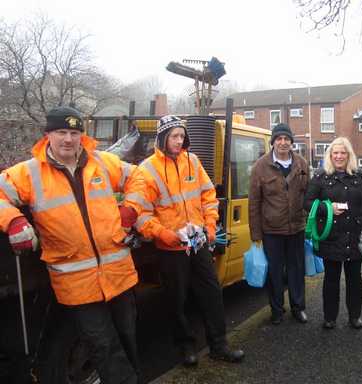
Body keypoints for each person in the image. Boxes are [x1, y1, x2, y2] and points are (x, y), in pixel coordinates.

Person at [0, 106, 144, 383]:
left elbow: (140, 177)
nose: (68, 139)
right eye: (61, 132)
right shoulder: (29, 173)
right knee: (103, 345)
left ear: (81, 136)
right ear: (48, 135)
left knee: (127, 338)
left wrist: (131, 208)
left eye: (74, 132)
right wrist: (14, 221)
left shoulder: (102, 162)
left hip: (119, 275)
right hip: (77, 284)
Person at [134, 114, 244, 366]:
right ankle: (185, 347)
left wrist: (210, 226)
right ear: (162, 138)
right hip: (170, 248)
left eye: (182, 136)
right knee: (176, 300)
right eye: (174, 136)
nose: (179, 140)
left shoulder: (192, 161)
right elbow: (141, 214)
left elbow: (208, 195)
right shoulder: (146, 170)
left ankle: (219, 345)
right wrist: (165, 234)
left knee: (212, 293)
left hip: (199, 243)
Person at [304, 137, 362, 330]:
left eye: (343, 153)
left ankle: (354, 316)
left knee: (354, 278)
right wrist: (326, 208)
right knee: (331, 279)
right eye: (335, 153)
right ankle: (330, 317)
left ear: (349, 155)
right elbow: (306, 203)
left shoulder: (359, 176)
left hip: (357, 236)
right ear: (330, 155)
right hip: (331, 236)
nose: (339, 156)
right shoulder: (321, 177)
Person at [249, 123, 310, 325]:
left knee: (296, 270)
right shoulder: (260, 166)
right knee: (274, 273)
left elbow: (308, 195)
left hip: (297, 228)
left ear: (292, 142)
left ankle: (298, 308)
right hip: (271, 230)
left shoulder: (301, 164)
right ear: (273, 142)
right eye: (279, 139)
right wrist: (256, 235)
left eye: (287, 139)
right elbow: (254, 203)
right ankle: (276, 310)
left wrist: (311, 224)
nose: (283, 143)